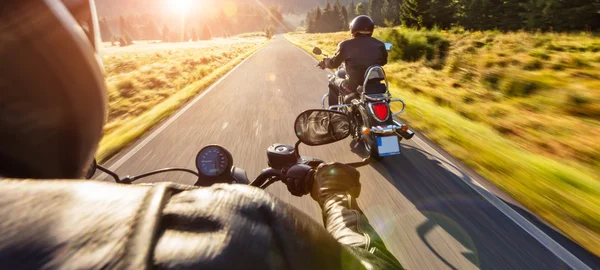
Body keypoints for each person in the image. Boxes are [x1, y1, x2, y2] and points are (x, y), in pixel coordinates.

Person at [0, 1, 403, 269]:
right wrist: (335, 197)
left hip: (353, 89)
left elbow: (335, 61)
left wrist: (331, 62)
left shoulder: (346, 44)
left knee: (334, 87)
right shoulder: (243, 232)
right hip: (375, 90)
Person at [318, 15, 389, 106]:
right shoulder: (380, 44)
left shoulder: (346, 45)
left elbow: (334, 63)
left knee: (332, 81)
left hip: (352, 87)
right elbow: (383, 62)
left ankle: (334, 116)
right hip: (375, 87)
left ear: (353, 28)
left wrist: (325, 62)